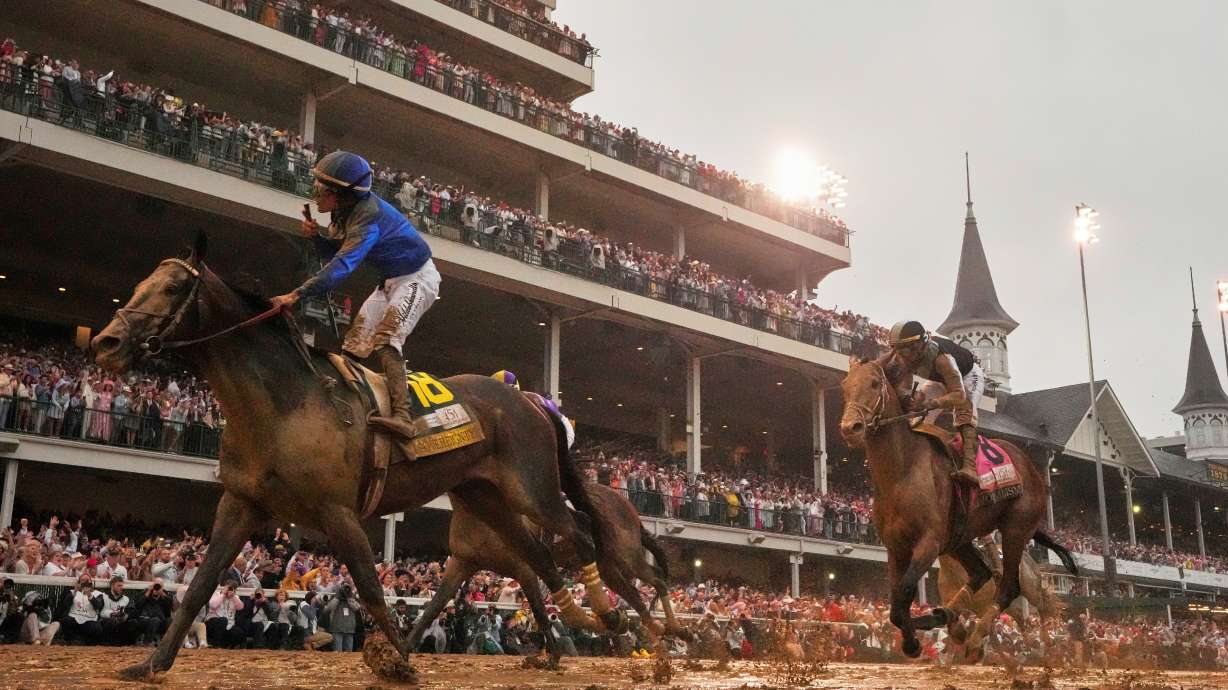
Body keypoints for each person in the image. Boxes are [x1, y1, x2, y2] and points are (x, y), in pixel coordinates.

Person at [270, 150, 439, 442]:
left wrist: (298, 295)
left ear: (342, 194)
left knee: (387, 339)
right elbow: (337, 252)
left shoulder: (367, 218)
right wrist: (317, 239)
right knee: (353, 345)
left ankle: (403, 417)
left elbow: (342, 267)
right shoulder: (342, 212)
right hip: (389, 281)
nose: (315, 193)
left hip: (417, 277)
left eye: (322, 189)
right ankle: (354, 406)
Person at [887, 320, 984, 486]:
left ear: (920, 344)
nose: (902, 355)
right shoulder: (904, 356)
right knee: (916, 419)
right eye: (898, 349)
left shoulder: (942, 359)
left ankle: (970, 467)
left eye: (907, 348)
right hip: (939, 380)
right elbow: (905, 381)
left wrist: (930, 404)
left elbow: (958, 395)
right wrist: (907, 398)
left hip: (967, 377)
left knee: (964, 411)